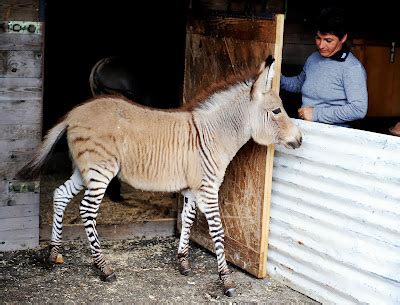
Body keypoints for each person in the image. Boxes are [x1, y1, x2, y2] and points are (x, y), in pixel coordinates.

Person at [281, 6, 368, 127]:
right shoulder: (313, 58)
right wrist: (276, 78)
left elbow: (358, 109)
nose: (321, 45)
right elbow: (299, 84)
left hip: (334, 134)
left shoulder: (352, 68)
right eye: (318, 38)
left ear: (343, 38)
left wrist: (316, 114)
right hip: (305, 127)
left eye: (328, 40)